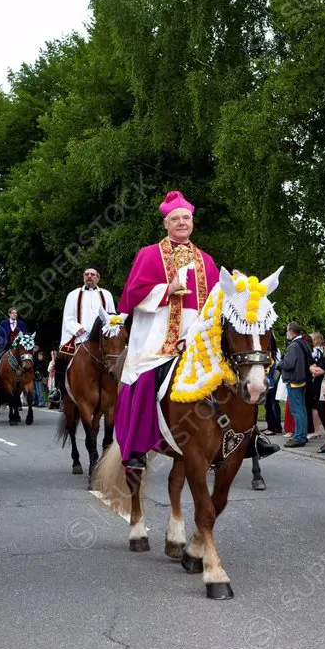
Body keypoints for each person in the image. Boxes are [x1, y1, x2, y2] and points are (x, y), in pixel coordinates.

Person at [115, 190, 276, 471]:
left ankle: (250, 437)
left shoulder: (207, 260)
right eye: (175, 218)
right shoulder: (149, 255)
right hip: (158, 332)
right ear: (166, 223)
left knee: (234, 373)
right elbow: (131, 294)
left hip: (200, 334)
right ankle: (138, 448)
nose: (181, 222)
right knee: (146, 377)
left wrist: (237, 286)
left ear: (192, 221)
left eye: (186, 218)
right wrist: (167, 290)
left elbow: (220, 298)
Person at [56, 267, 117, 401]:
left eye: (92, 274)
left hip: (101, 340)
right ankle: (59, 390)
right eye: (86, 274)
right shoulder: (73, 295)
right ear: (83, 277)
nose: (89, 276)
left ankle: (118, 391)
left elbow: (112, 316)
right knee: (61, 360)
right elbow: (68, 318)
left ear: (98, 278)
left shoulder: (106, 295)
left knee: (115, 360)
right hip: (79, 338)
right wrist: (78, 328)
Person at [280, 321, 313, 447]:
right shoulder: (304, 343)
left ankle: (299, 437)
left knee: (297, 410)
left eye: (287, 330)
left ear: (291, 331)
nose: (287, 333)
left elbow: (289, 364)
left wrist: (280, 363)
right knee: (302, 409)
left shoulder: (293, 345)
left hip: (294, 380)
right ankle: (301, 435)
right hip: (302, 379)